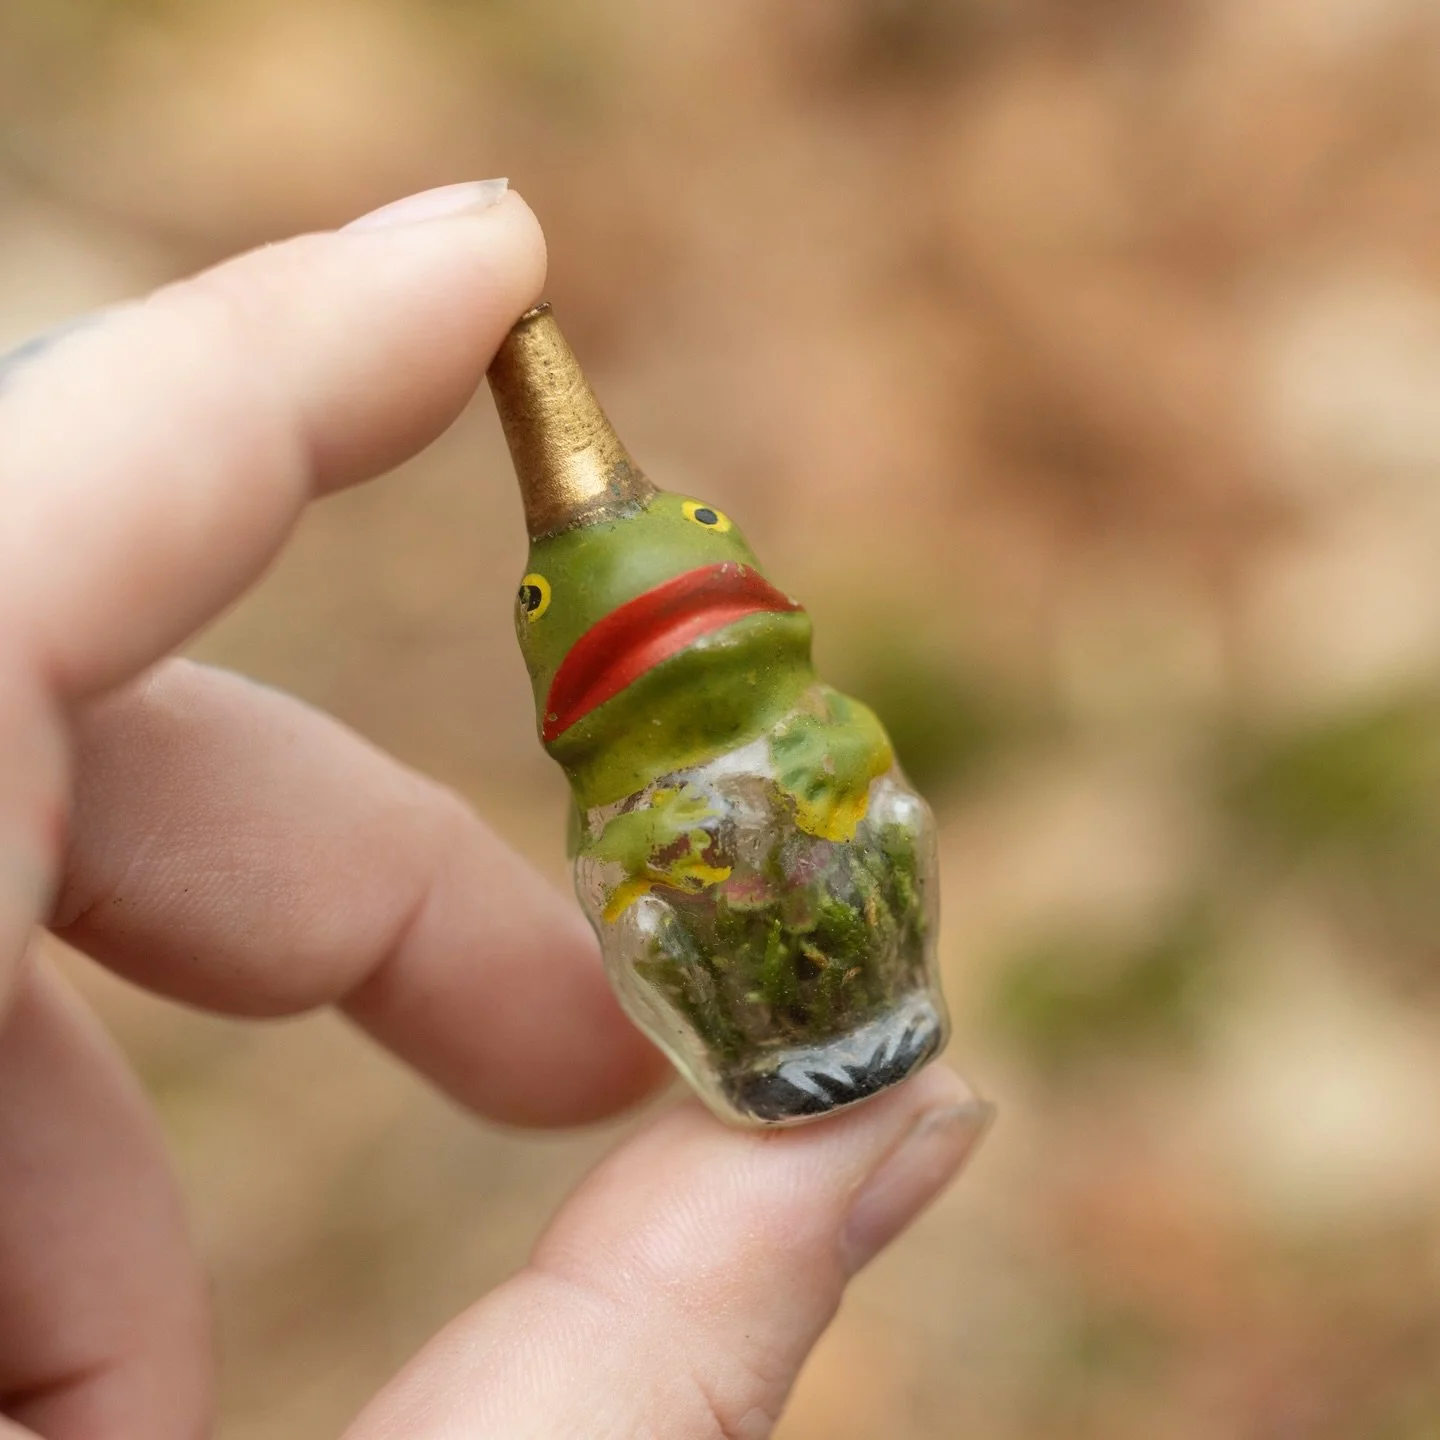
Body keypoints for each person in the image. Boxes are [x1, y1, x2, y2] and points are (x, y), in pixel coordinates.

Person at [0, 180, 990, 1440]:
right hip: (759, 1053)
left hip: (890, 995)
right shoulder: (617, 811)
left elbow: (892, 819)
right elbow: (644, 941)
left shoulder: (824, 723)